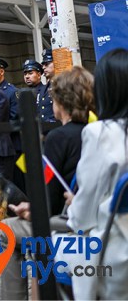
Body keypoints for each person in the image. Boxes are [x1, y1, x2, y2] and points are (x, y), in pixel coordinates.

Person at [0, 64, 95, 300]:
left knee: (5, 231)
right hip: (97, 215)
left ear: (60, 103)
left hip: (70, 222)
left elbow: (46, 200)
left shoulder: (58, 138)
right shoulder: (98, 131)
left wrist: (27, 209)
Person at [65, 49, 128, 300]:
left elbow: (83, 216)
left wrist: (71, 205)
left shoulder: (100, 133)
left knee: (33, 246)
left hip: (111, 244)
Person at [37, 47, 59, 129]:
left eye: (47, 64)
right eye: (43, 65)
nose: (43, 67)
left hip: (57, 128)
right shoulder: (43, 88)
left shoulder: (62, 85)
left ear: (56, 63)